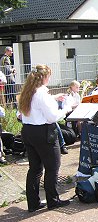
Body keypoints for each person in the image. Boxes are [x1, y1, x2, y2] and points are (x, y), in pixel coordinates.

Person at [19, 64, 72, 212]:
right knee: (52, 167)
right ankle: (53, 201)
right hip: (43, 133)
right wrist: (67, 108)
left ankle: (33, 203)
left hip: (28, 132)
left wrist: (54, 97)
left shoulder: (27, 92)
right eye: (48, 76)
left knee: (34, 169)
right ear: (43, 78)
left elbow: (25, 111)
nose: (50, 78)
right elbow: (52, 117)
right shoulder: (42, 93)